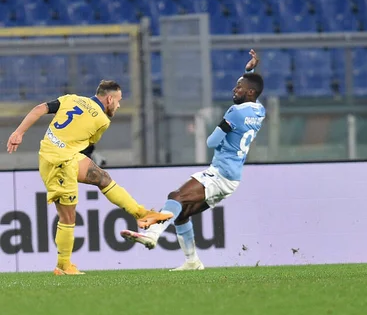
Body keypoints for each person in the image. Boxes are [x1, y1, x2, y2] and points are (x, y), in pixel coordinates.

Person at [6, 80, 173, 275]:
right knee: (68, 217)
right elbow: (88, 145)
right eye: (118, 101)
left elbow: (40, 108)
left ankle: (142, 214)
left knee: (103, 178)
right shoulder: (102, 120)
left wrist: (19, 132)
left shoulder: (71, 99)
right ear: (109, 99)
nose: (118, 106)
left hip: (56, 153)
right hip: (60, 162)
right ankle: (63, 265)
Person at [120, 49, 265, 271]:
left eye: (239, 88)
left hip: (221, 173)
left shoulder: (234, 112)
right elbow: (252, 89)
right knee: (181, 213)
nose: (235, 89)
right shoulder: (259, 110)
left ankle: (152, 235)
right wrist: (250, 70)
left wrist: (219, 133)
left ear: (250, 92)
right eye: (236, 85)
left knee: (175, 197)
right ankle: (192, 261)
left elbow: (211, 142)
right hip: (232, 176)